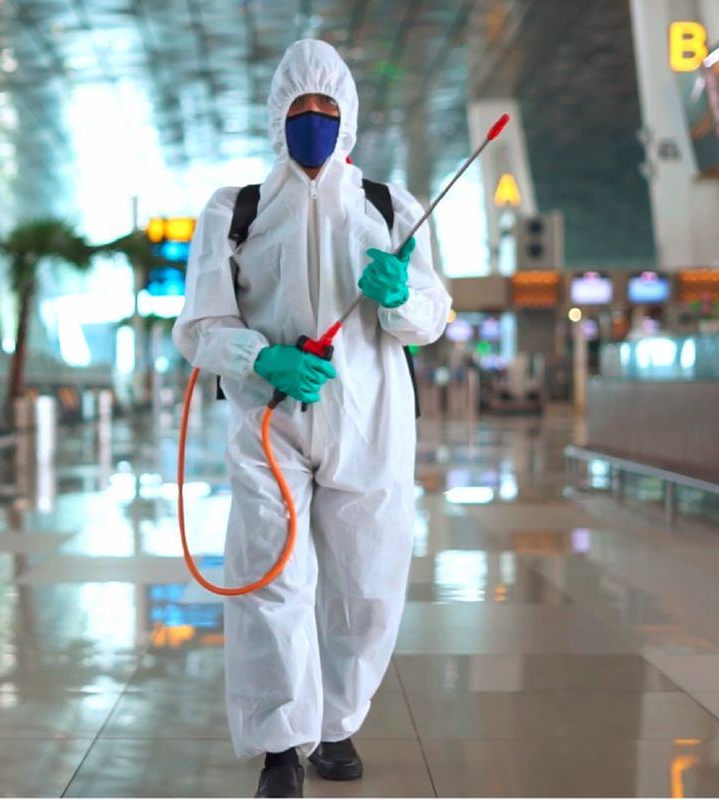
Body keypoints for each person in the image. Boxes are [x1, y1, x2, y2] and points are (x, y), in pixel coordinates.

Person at [173, 39, 450, 798]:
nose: (315, 120)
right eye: (301, 107)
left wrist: (399, 295)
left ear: (350, 115)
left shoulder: (391, 208)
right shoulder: (237, 212)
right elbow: (200, 325)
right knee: (273, 578)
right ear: (277, 115)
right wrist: (260, 358)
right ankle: (279, 748)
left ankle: (337, 725)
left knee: (367, 584)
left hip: (370, 424)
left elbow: (429, 318)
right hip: (271, 424)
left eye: (329, 107)